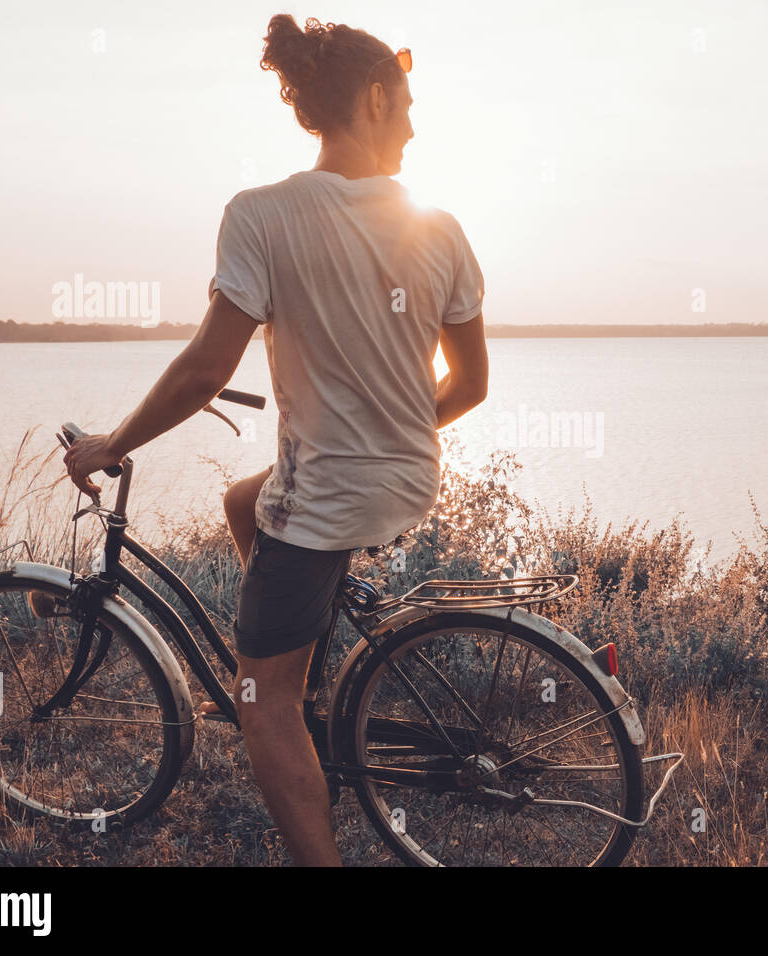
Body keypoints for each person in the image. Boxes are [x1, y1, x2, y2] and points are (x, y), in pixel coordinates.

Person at [63, 14, 490, 866]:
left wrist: (112, 442)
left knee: (260, 704)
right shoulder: (438, 227)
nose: (412, 123)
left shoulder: (261, 215)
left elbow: (203, 373)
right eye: (405, 104)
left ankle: (278, 705)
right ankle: (304, 666)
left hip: (327, 497)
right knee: (238, 499)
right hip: (409, 476)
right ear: (372, 99)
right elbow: (471, 386)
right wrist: (390, 429)